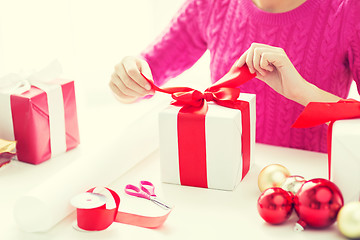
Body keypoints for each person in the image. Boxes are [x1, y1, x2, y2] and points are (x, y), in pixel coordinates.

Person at [109, 0, 360, 153]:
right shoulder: (211, 4)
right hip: (226, 180)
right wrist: (129, 80)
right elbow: (148, 71)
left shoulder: (349, 9)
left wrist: (301, 92)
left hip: (308, 189)